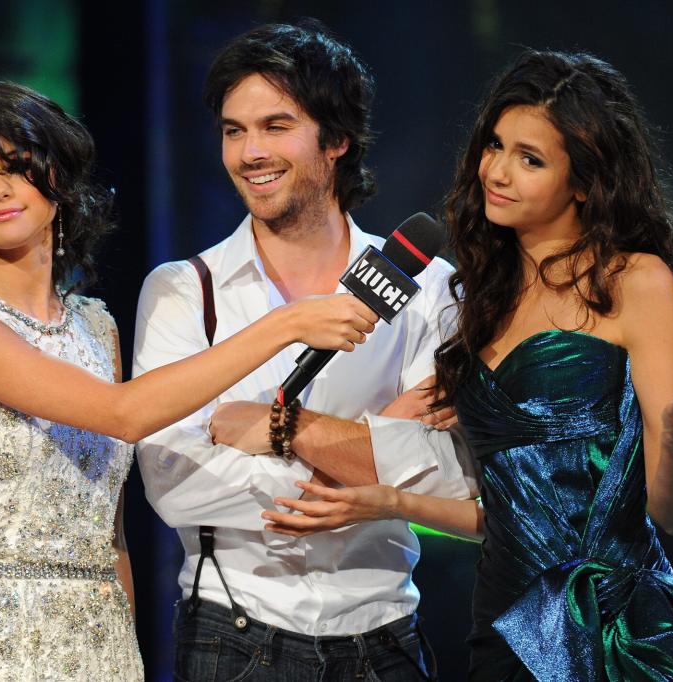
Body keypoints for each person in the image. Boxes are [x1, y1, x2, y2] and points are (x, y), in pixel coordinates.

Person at [245, 50, 673, 680]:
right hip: (501, 623)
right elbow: (506, 515)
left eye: (531, 159)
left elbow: (671, 513)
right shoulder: (479, 298)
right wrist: (386, 501)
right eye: (495, 145)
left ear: (585, 180)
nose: (496, 171)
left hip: (609, 635)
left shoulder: (638, 282)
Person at [0, 81, 377, 681]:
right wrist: (284, 325)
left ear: (58, 174)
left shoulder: (97, 327)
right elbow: (123, 414)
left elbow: (113, 531)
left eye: (17, 168)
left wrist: (124, 655)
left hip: (96, 638)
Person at [133, 21, 473, 681]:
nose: (250, 152)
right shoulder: (184, 290)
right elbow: (173, 480)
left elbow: (454, 474)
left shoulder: (430, 287)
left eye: (275, 126)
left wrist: (277, 430)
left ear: (338, 139)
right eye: (234, 131)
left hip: (385, 633)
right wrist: (362, 467)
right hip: (236, 631)